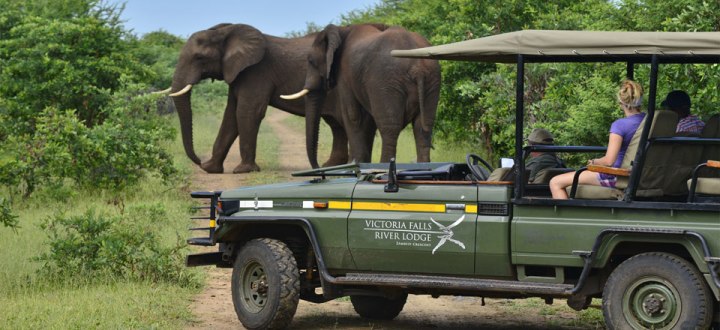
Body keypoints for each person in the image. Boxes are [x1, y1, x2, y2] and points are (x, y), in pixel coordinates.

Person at [549, 79, 646, 199]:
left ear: (621, 103)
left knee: (555, 182)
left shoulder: (620, 125)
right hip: (640, 176)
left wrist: (594, 162)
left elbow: (609, 161)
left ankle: (566, 217)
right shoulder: (649, 122)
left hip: (617, 176)